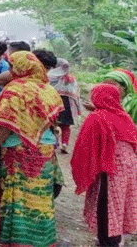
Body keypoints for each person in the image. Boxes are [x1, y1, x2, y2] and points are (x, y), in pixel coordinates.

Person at [0, 51, 63, 247]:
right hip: (44, 150)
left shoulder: (15, 90)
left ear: (21, 68)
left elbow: (6, 124)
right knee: (40, 197)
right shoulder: (47, 89)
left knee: (16, 196)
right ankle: (42, 239)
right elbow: (53, 121)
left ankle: (17, 240)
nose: (10, 70)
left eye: (12, 66)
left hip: (16, 150)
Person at [70, 83, 137, 247]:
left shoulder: (98, 116)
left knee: (107, 204)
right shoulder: (123, 116)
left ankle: (109, 242)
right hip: (128, 165)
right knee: (119, 202)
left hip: (110, 166)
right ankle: (115, 238)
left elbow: (84, 146)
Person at [48, 59, 79, 153]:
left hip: (55, 103)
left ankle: (54, 143)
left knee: (53, 124)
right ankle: (65, 143)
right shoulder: (71, 78)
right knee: (66, 126)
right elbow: (76, 92)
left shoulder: (52, 77)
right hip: (68, 105)